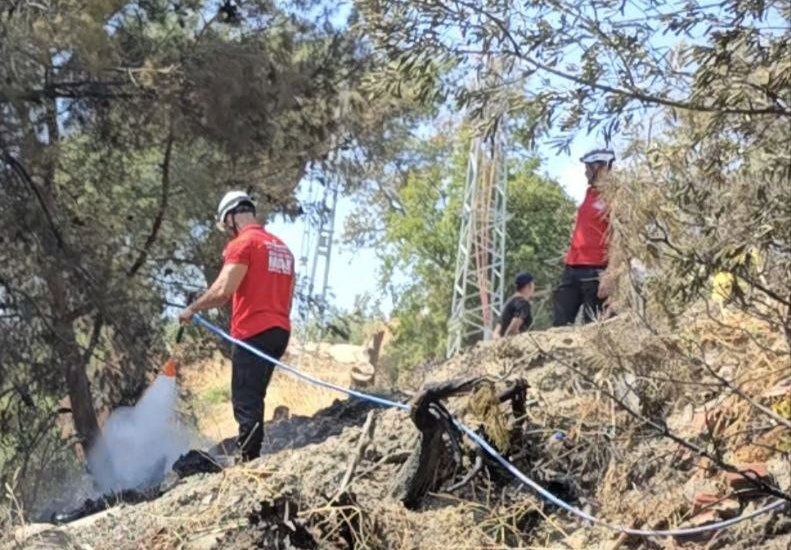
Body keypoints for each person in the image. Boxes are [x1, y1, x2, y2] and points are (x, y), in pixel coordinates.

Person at [179, 190, 295, 461]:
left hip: (252, 332)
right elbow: (288, 298)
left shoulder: (243, 244)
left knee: (245, 399)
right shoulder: (283, 248)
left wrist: (192, 309)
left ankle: (248, 459)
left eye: (226, 225)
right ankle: (250, 453)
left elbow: (223, 290)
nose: (228, 232)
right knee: (256, 394)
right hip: (280, 331)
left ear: (231, 217)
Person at [552, 148, 615, 326]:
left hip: (596, 271)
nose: (585, 171)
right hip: (572, 267)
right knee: (560, 323)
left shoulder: (615, 197)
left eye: (588, 167)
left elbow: (619, 238)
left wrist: (610, 274)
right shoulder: (589, 193)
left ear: (601, 168)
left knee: (594, 327)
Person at [494, 271, 535, 338]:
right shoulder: (523, 304)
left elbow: (496, 332)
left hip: (501, 345)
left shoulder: (510, 301)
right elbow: (512, 331)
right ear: (529, 285)